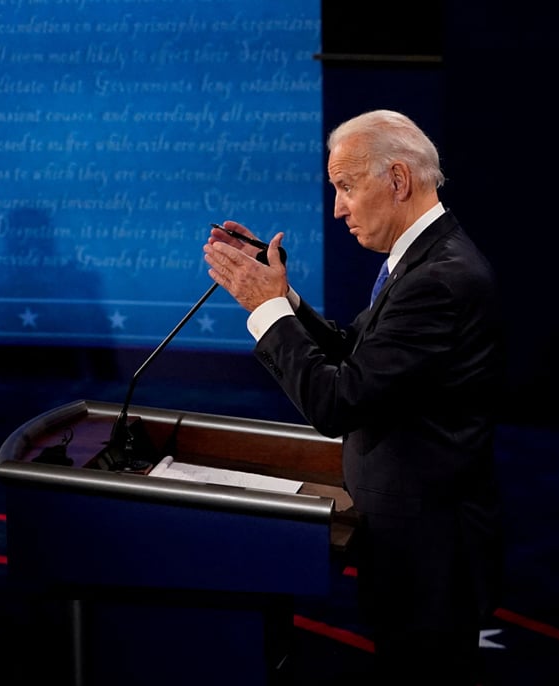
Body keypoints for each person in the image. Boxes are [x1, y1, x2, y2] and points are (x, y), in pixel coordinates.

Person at [203, 109, 505, 685]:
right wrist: (284, 299)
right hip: (411, 546)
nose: (338, 208)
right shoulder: (423, 260)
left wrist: (264, 311)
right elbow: (359, 354)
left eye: (345, 186)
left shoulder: (439, 278)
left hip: (432, 557)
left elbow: (338, 402)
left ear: (397, 179)